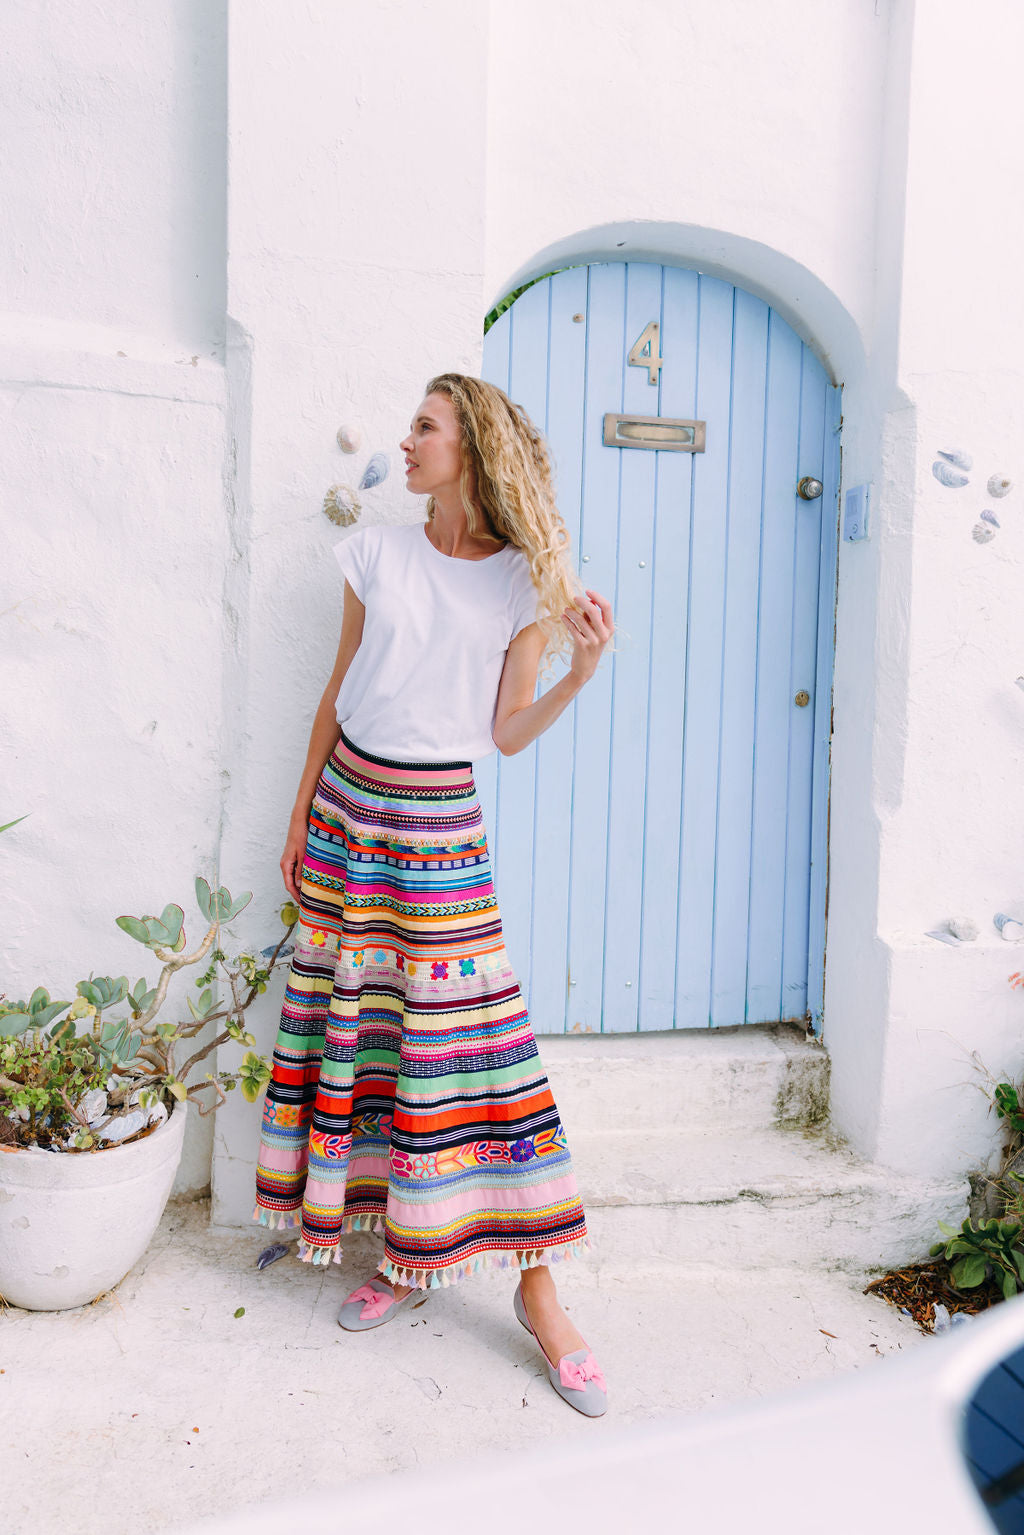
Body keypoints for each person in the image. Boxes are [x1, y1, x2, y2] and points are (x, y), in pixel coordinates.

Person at [253, 372, 614, 1416]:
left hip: (438, 831)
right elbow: (337, 691)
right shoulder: (373, 551)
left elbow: (500, 733)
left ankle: (541, 1296)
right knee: (365, 1042)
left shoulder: (522, 588)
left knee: (471, 1049)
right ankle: (405, 1260)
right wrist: (296, 814)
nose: (405, 441)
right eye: (410, 425)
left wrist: (577, 675)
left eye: (423, 427)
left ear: (472, 448)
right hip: (345, 815)